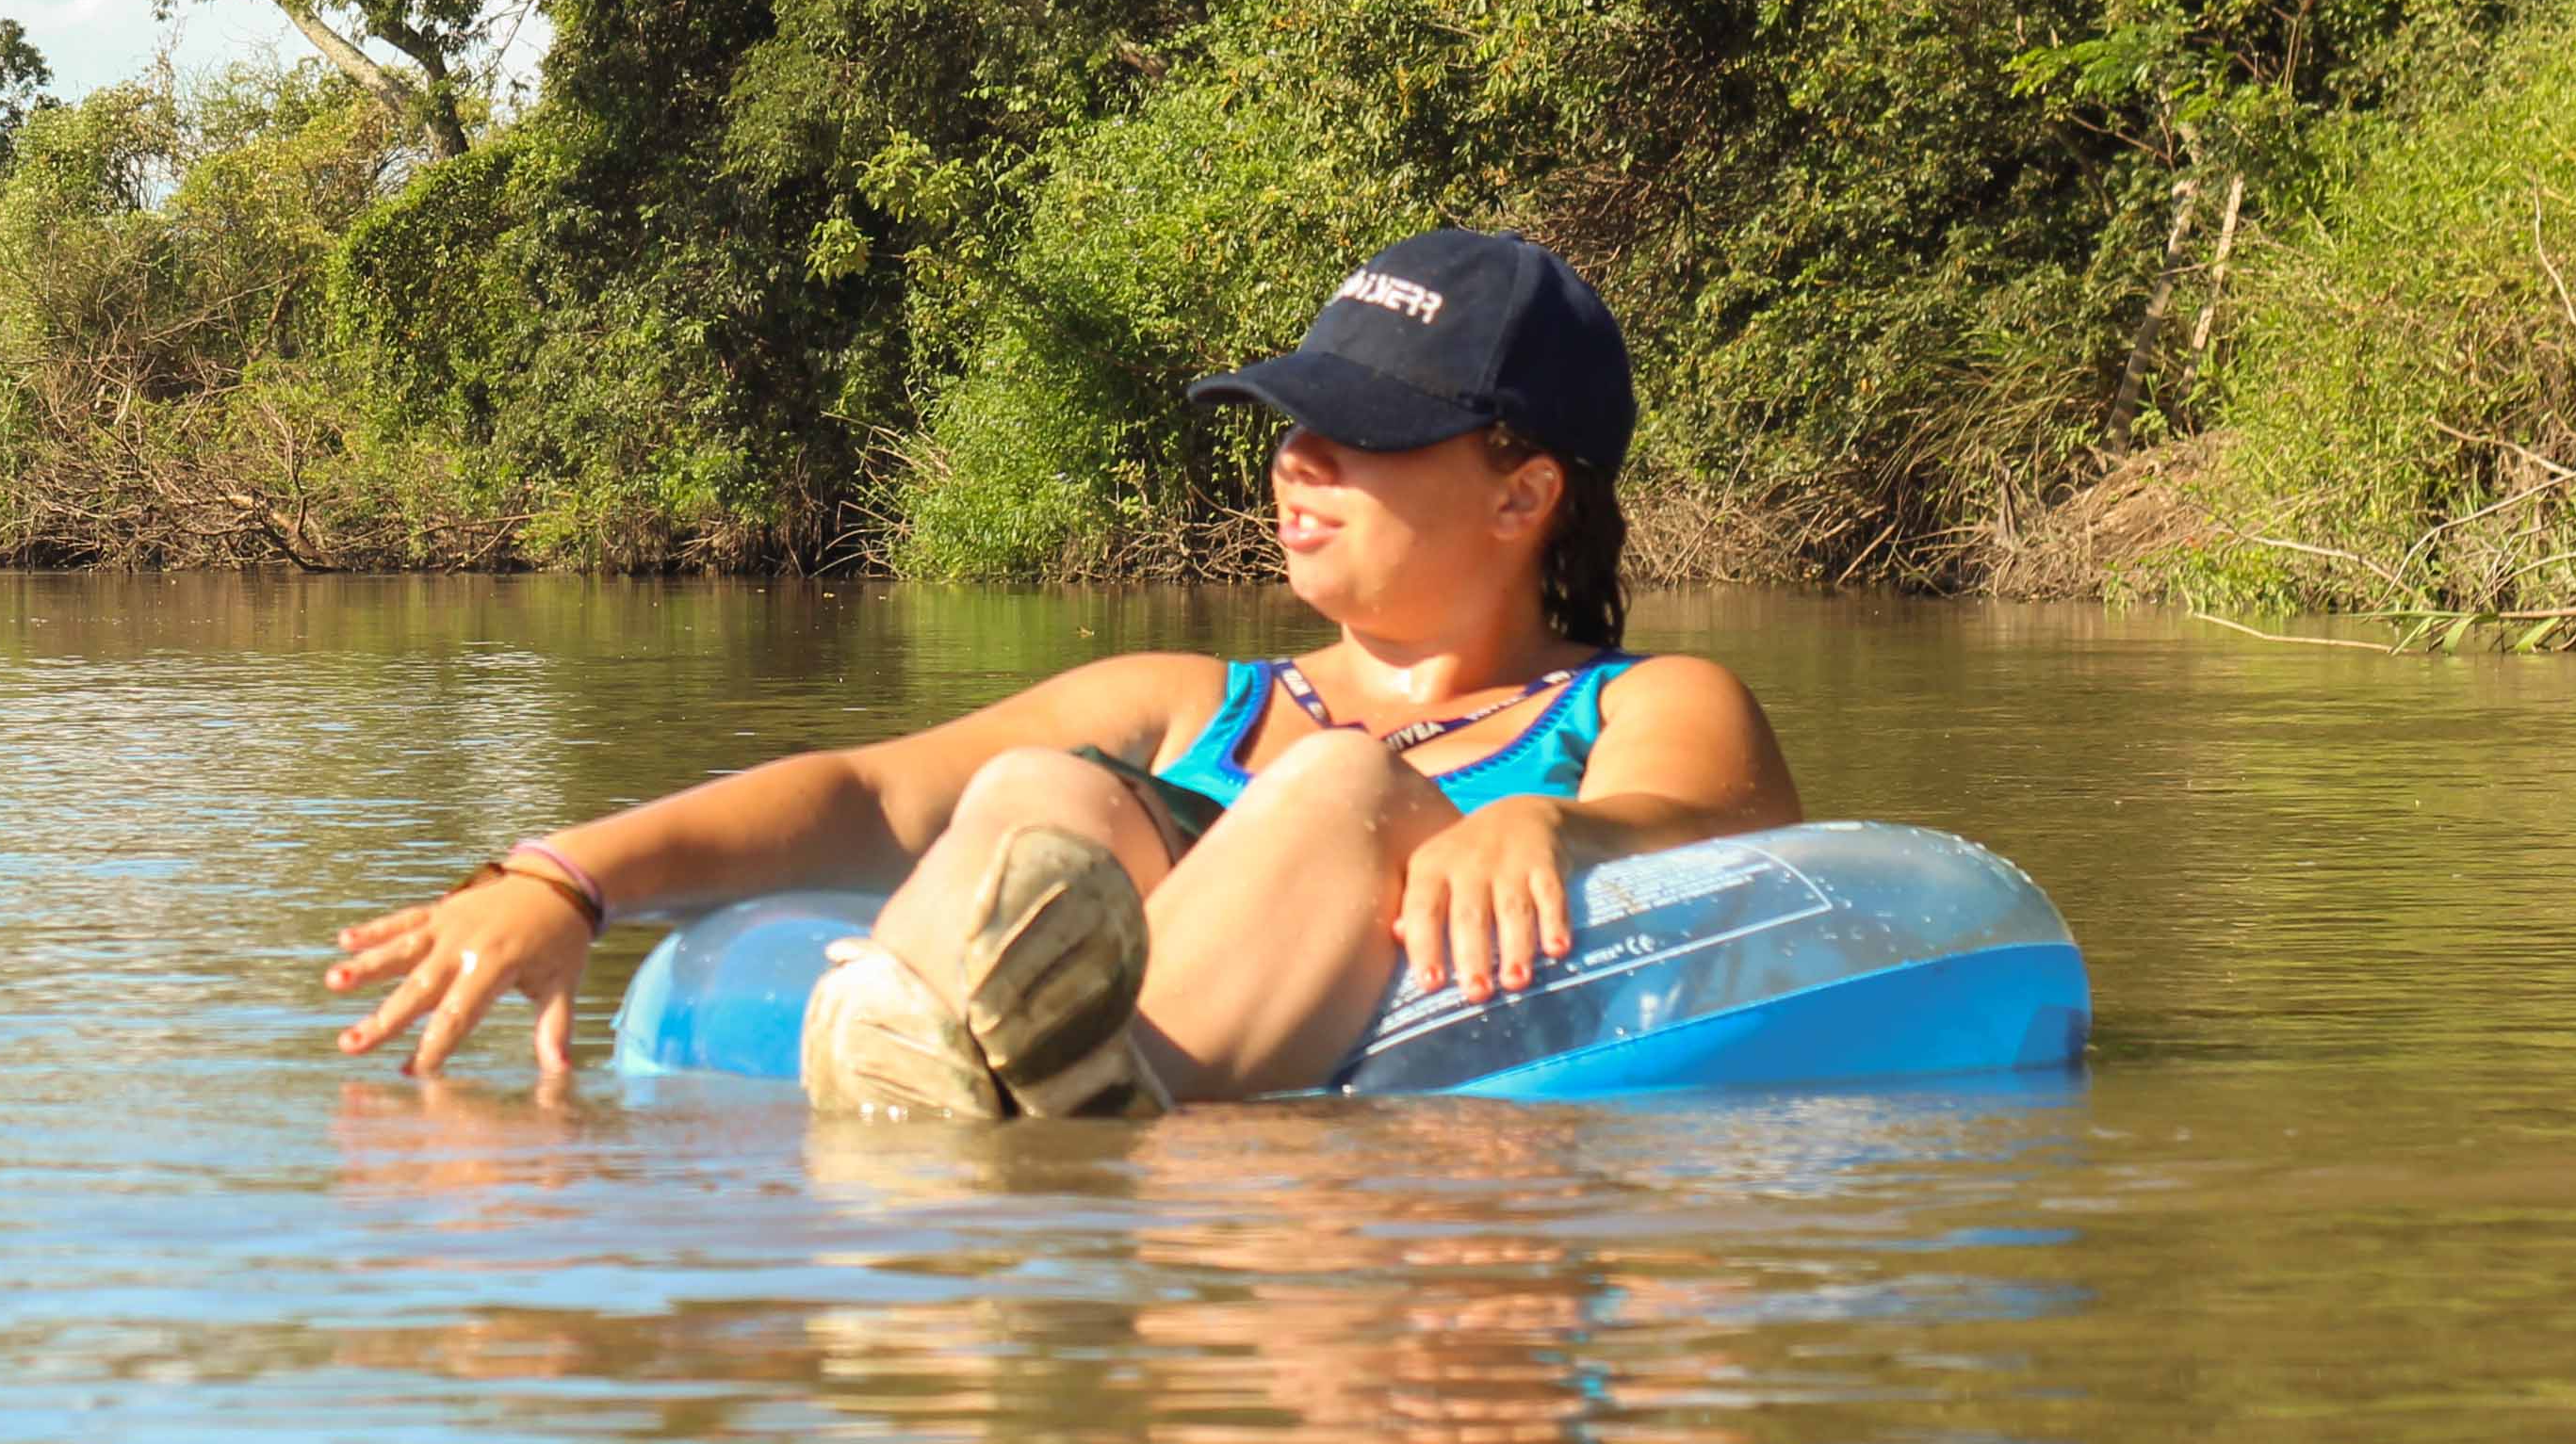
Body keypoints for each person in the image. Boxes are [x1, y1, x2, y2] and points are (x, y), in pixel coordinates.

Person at [326, 227, 1802, 1116]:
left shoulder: (1640, 708)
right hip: (1060, 1117)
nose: (1299, 456)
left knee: (1346, 785)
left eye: (1363, 430)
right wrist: (562, 878)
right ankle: (928, 1084)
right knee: (1039, 787)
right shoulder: (1190, 703)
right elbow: (868, 791)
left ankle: (1079, 1110)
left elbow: (1721, 834)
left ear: (1522, 494)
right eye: (1293, 420)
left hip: (1329, 1197)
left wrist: (1555, 820)